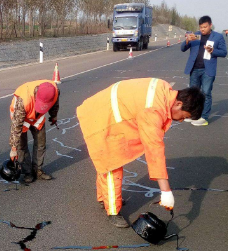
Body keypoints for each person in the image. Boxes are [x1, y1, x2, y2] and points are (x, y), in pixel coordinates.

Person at [77, 78, 205, 228]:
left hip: (103, 109)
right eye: (184, 116)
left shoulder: (165, 90)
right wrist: (165, 191)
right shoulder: (154, 110)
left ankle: (104, 198)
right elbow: (154, 150)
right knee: (112, 164)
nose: (182, 120)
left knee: (106, 162)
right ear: (178, 104)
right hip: (102, 118)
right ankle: (112, 211)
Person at [9, 80, 60, 183]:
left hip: (38, 118)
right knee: (21, 146)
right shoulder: (23, 100)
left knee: (41, 144)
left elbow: (55, 104)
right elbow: (16, 126)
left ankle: (37, 170)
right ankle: (27, 172)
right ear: (36, 96)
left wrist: (53, 116)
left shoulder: (55, 91)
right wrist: (13, 148)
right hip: (21, 118)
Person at [180, 15, 227, 126]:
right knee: (193, 94)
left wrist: (213, 51)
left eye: (205, 27)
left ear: (210, 25)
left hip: (208, 70)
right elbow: (182, 49)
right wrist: (187, 41)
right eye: (201, 27)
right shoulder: (195, 36)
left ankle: (204, 117)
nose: (202, 29)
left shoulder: (218, 37)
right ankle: (194, 115)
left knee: (206, 93)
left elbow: (224, 52)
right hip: (194, 69)